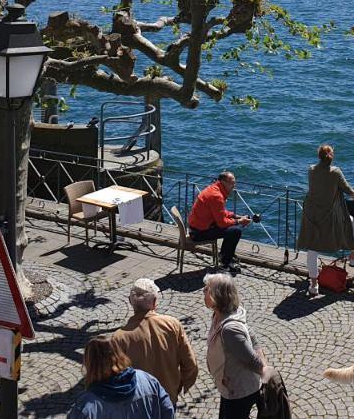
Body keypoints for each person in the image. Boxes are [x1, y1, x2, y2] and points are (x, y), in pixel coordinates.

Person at [297, 143, 354, 296]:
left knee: (312, 249)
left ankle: (313, 285)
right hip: (327, 215)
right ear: (331, 156)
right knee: (351, 222)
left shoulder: (311, 170)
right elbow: (348, 189)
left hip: (310, 213)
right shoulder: (335, 172)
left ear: (319, 156)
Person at [111, 278, 198, 405]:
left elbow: (116, 379)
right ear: (155, 301)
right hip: (167, 398)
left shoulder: (119, 338)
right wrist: (177, 387)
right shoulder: (172, 324)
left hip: (138, 404)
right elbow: (190, 364)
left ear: (130, 301)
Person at [67, 334, 174, 419]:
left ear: (89, 364)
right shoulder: (147, 379)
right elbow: (168, 410)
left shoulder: (86, 406)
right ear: (118, 354)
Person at [203, 272, 264, 419]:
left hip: (239, 390)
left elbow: (254, 361)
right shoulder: (219, 315)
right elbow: (252, 337)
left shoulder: (230, 329)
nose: (203, 291)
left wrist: (265, 372)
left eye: (207, 289)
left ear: (216, 296)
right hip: (229, 386)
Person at [188, 171, 254, 275]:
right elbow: (222, 223)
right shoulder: (217, 196)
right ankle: (224, 264)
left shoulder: (214, 189)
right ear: (223, 182)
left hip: (197, 227)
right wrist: (239, 221)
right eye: (232, 183)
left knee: (233, 228)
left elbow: (221, 212)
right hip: (199, 233)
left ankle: (225, 256)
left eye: (234, 183)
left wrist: (236, 216)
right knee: (235, 231)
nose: (234, 186)